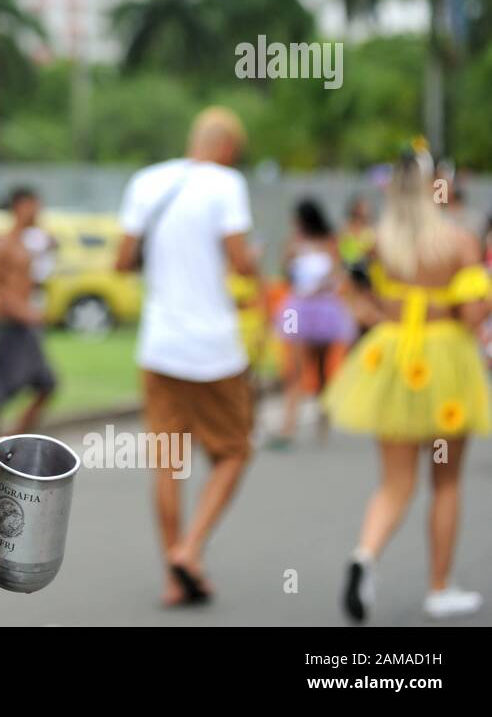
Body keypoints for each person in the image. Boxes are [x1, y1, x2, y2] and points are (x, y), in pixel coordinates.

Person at [324, 143, 489, 622]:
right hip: (444, 362)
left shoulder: (377, 242)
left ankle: (364, 556)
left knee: (395, 483)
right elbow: (472, 312)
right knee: (446, 482)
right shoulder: (459, 242)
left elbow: (350, 288)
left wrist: (378, 315)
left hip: (393, 359)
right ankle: (439, 588)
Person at [114, 107, 261, 607]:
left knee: (169, 463)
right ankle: (191, 548)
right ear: (224, 149)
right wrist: (252, 267)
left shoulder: (147, 181)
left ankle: (174, 579)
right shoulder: (226, 184)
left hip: (160, 345)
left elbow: (121, 260)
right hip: (215, 347)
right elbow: (241, 262)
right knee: (235, 451)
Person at [268, 198, 356, 448]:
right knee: (294, 368)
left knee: (321, 369)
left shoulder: (329, 243)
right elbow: (286, 274)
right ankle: (288, 425)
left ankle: (323, 415)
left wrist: (324, 284)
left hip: (324, 309)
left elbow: (339, 272)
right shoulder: (293, 244)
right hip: (298, 310)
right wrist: (289, 254)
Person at [0, 187, 58, 437]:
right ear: (18, 206)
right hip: (6, 323)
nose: (37, 210)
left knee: (46, 384)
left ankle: (13, 438)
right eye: (32, 205)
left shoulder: (30, 244)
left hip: (25, 323)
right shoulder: (3, 243)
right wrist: (21, 310)